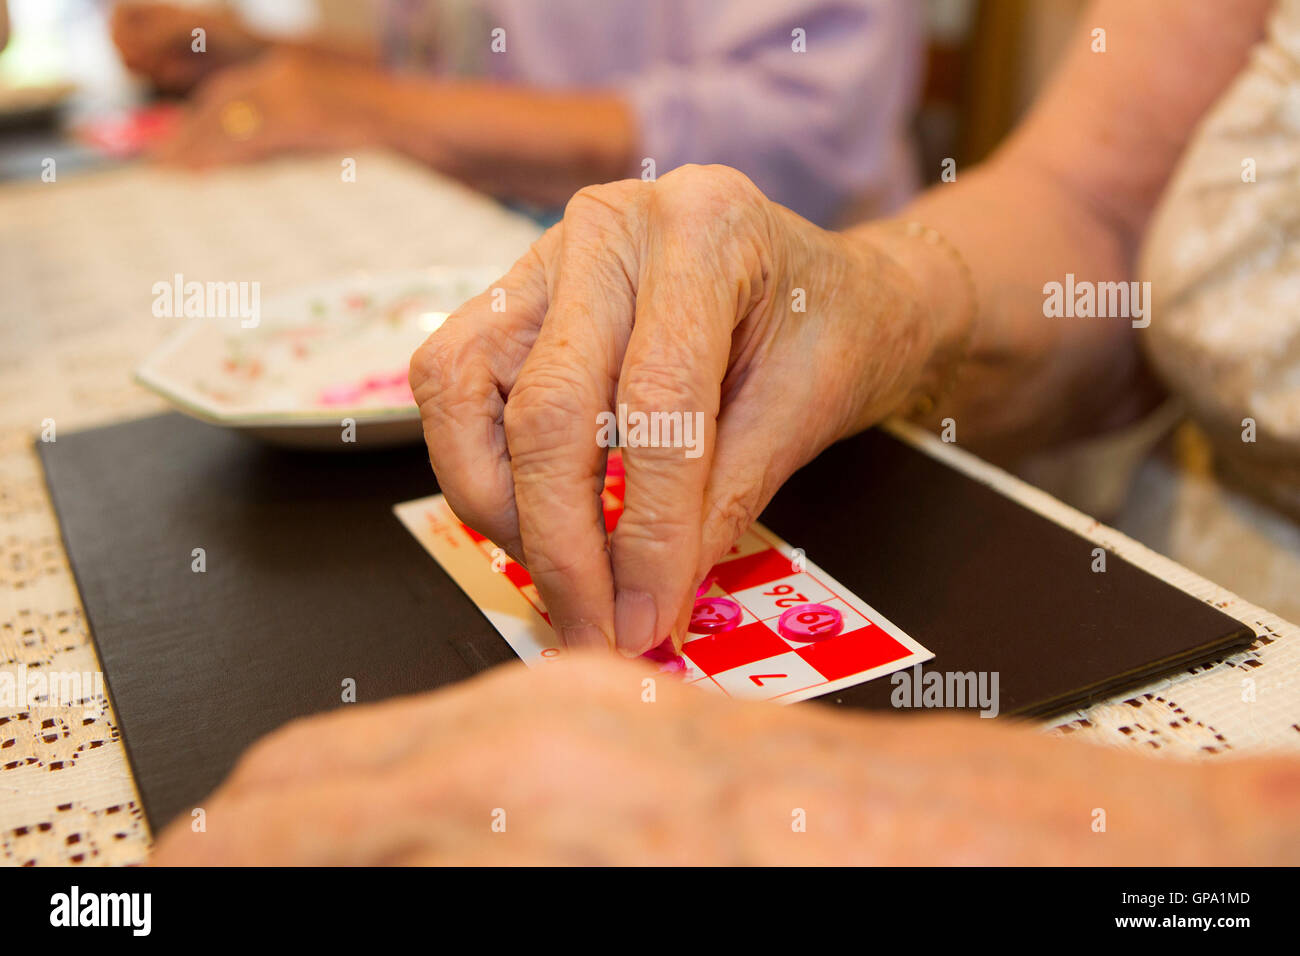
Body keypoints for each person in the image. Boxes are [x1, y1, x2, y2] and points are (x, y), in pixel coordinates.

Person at [151, 0, 1300, 864]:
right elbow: (1092, 209)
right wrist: (875, 288)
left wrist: (1176, 828)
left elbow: (806, 123)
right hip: (1185, 569)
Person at [111, 0, 923, 224]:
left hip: (792, 360)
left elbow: (794, 135)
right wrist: (258, 53)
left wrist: (379, 108)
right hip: (499, 260)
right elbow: (458, 71)